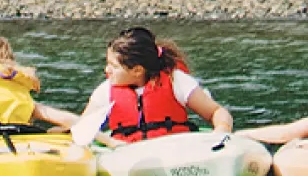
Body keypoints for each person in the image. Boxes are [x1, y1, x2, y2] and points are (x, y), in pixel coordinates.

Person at [71, 26, 232, 147]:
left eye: (114, 66)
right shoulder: (105, 90)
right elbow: (83, 126)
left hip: (176, 151)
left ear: (137, 70)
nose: (107, 70)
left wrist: (222, 129)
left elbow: (217, 112)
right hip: (127, 155)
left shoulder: (176, 81)